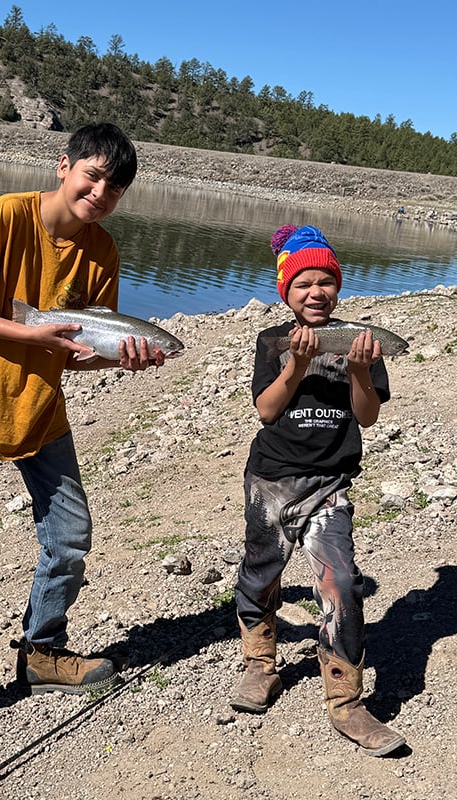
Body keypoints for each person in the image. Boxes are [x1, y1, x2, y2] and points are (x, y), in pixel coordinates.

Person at [0, 122, 164, 746]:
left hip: (40, 412)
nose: (101, 192)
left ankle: (42, 649)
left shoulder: (101, 250)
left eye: (116, 186)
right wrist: (29, 333)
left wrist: (122, 358)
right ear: (64, 166)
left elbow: (81, 352)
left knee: (71, 535)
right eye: (94, 174)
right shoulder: (4, 217)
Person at [230, 224, 406, 757]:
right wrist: (299, 364)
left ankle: (345, 698)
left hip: (331, 482)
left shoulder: (363, 344)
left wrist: (358, 371)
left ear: (339, 288)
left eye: (325, 283)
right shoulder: (273, 341)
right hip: (271, 479)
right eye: (303, 283)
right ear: (286, 290)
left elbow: (367, 416)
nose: (315, 293)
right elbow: (266, 410)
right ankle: (260, 662)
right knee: (262, 572)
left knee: (343, 584)